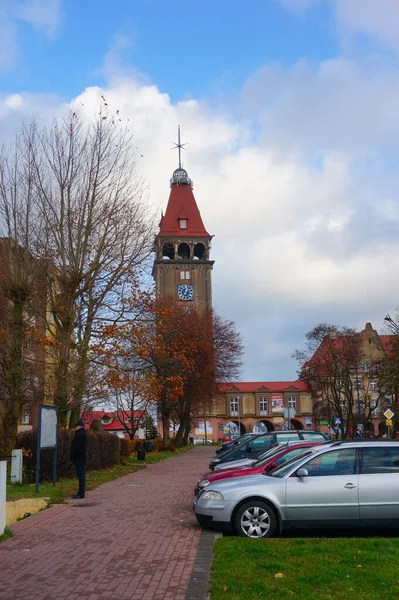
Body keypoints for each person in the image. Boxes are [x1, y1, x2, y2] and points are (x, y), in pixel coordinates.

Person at [70, 419, 88, 499]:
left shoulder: (79, 434)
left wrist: (73, 455)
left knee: (80, 475)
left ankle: (81, 493)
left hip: (79, 458)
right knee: (81, 475)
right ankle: (81, 492)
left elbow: (77, 447)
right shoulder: (84, 433)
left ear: (79, 426)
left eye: (76, 426)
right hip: (82, 457)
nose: (75, 428)